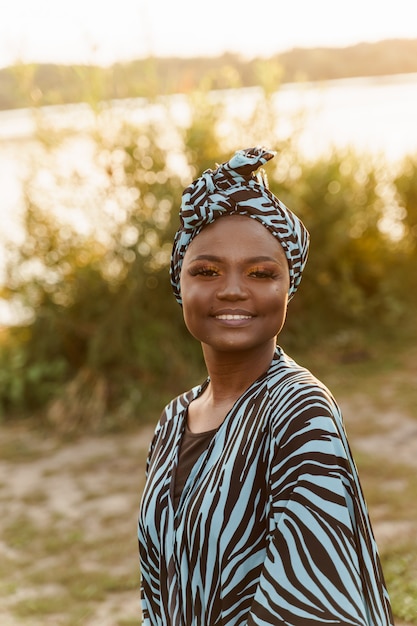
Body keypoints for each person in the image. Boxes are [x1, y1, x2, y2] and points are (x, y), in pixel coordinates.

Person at [138, 147, 394, 626]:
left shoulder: (299, 410)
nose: (233, 289)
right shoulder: (174, 419)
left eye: (261, 273)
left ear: (287, 289)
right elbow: (159, 587)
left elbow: (312, 601)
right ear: (180, 284)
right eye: (207, 271)